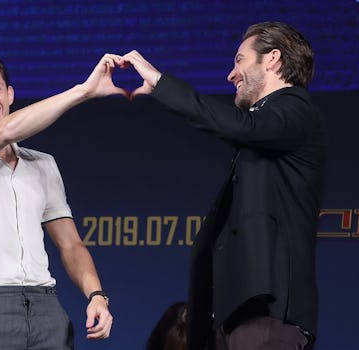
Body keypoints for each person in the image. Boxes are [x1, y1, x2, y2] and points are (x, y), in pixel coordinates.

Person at [120, 21, 327, 350]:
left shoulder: (295, 108)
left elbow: (240, 126)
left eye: (239, 60)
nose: (231, 74)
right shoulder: (268, 127)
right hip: (238, 317)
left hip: (267, 317)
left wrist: (160, 82)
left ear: (272, 59)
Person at [0, 52, 126, 349]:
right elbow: (8, 130)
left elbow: (70, 244)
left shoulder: (42, 164)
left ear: (10, 94)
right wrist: (83, 91)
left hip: (46, 306)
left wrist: (96, 295)